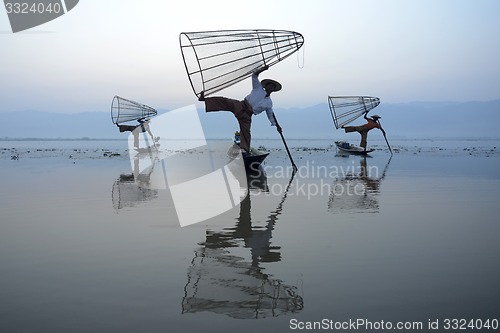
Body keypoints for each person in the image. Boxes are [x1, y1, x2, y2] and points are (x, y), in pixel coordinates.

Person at [198, 65, 282, 156]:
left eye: (272, 87)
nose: (270, 88)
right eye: (269, 85)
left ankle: (245, 151)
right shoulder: (258, 88)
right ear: (266, 86)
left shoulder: (269, 103)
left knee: (246, 133)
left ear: (273, 90)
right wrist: (262, 69)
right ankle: (204, 99)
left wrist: (277, 125)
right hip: (241, 105)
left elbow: (270, 115)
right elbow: (254, 75)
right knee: (225, 101)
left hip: (247, 115)